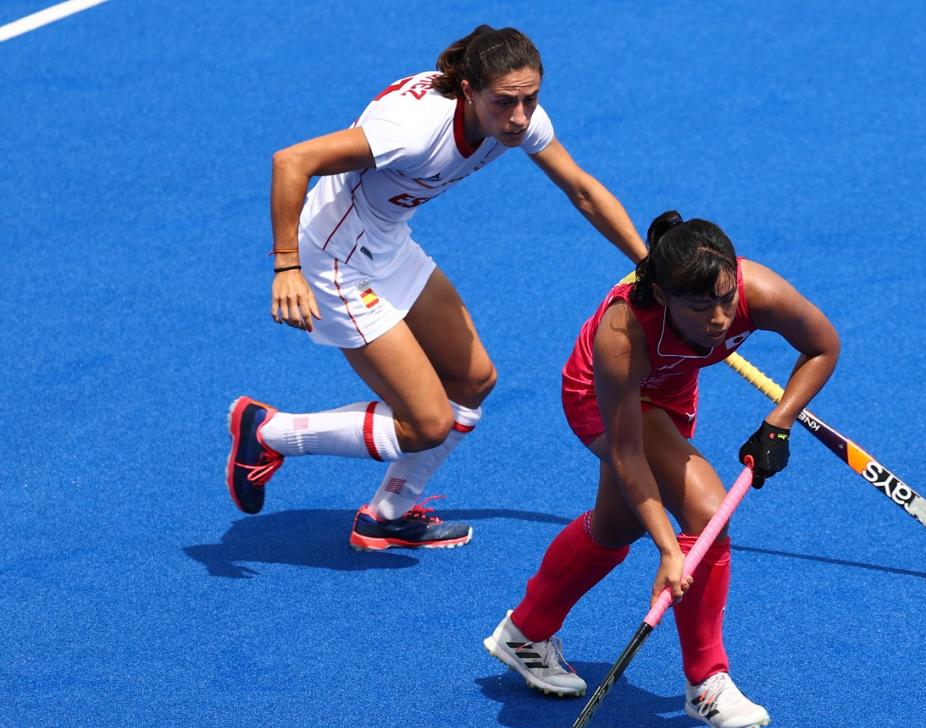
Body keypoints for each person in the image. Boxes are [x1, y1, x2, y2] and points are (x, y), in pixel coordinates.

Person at [225, 25, 647, 549]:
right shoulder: (414, 130)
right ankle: (267, 432)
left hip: (386, 240)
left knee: (474, 381)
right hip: (333, 259)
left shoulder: (519, 120)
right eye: (505, 103)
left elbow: (582, 190)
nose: (519, 117)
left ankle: (386, 515)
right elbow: (291, 161)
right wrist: (286, 267)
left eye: (530, 99)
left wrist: (648, 263)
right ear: (469, 90)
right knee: (427, 423)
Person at [483, 211, 841, 728]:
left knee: (616, 526)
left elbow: (823, 346)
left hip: (671, 389)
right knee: (706, 511)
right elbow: (629, 455)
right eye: (701, 308)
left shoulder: (753, 289)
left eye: (725, 298)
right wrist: (671, 552)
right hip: (602, 396)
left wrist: (778, 424)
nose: (720, 318)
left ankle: (525, 631)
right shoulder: (622, 331)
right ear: (667, 297)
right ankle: (707, 682)